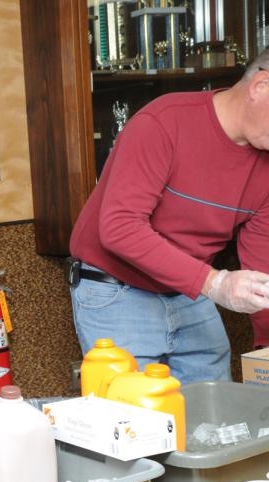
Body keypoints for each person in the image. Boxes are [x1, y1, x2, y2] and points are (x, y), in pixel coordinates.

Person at [67, 49, 269, 385]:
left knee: (214, 425)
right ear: (261, 86)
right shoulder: (164, 122)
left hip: (191, 290)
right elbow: (119, 228)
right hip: (118, 288)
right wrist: (216, 283)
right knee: (135, 423)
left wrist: (266, 352)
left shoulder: (265, 161)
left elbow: (263, 269)